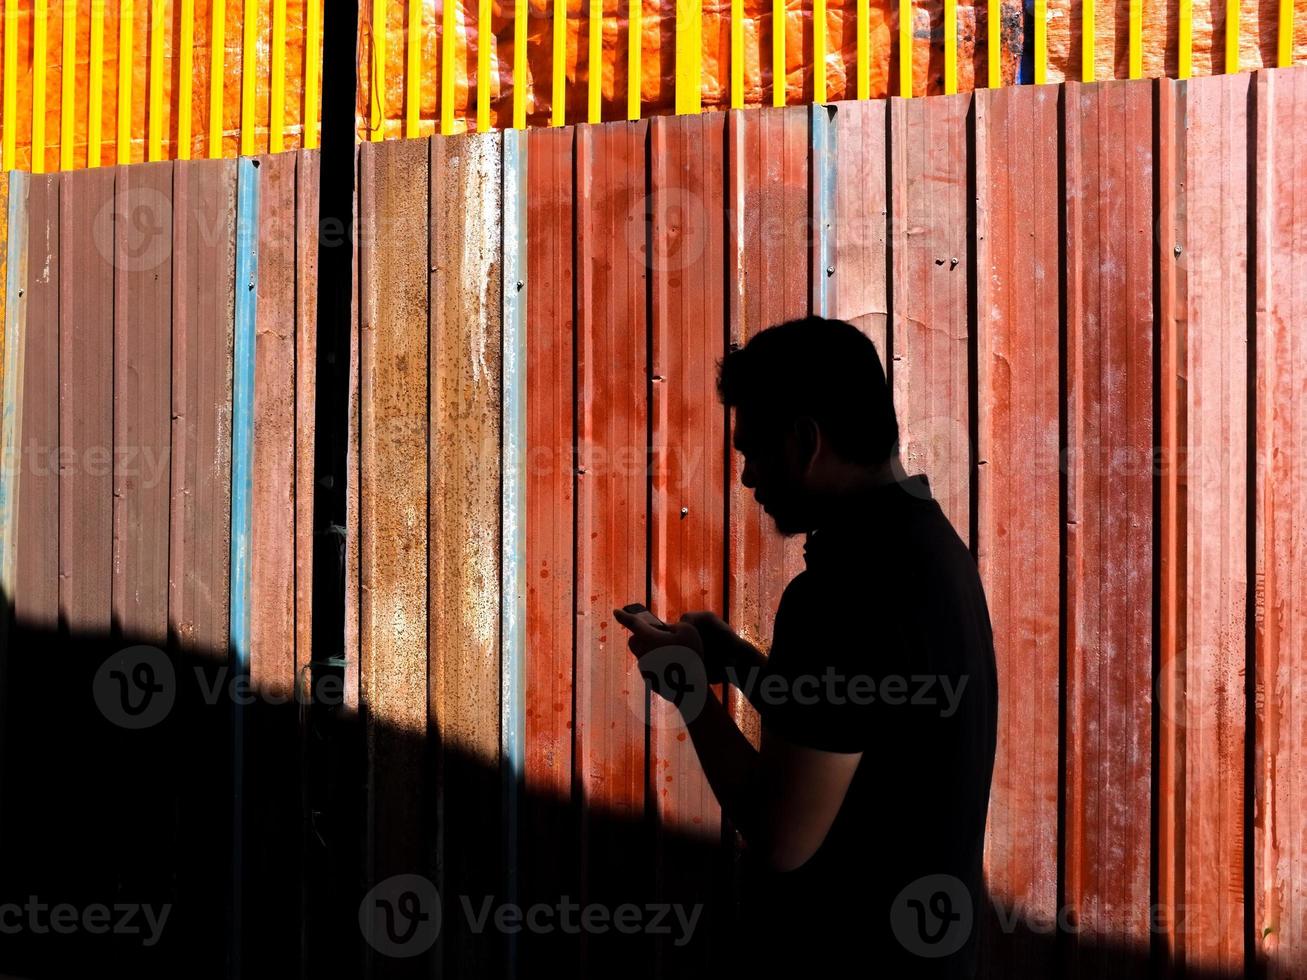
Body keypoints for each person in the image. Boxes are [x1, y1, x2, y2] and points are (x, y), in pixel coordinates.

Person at [614, 316, 998, 977]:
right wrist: (731, 659)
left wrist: (686, 690)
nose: (746, 477)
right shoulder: (934, 552)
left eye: (752, 452)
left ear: (805, 441)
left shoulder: (839, 592)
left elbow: (780, 835)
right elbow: (855, 725)